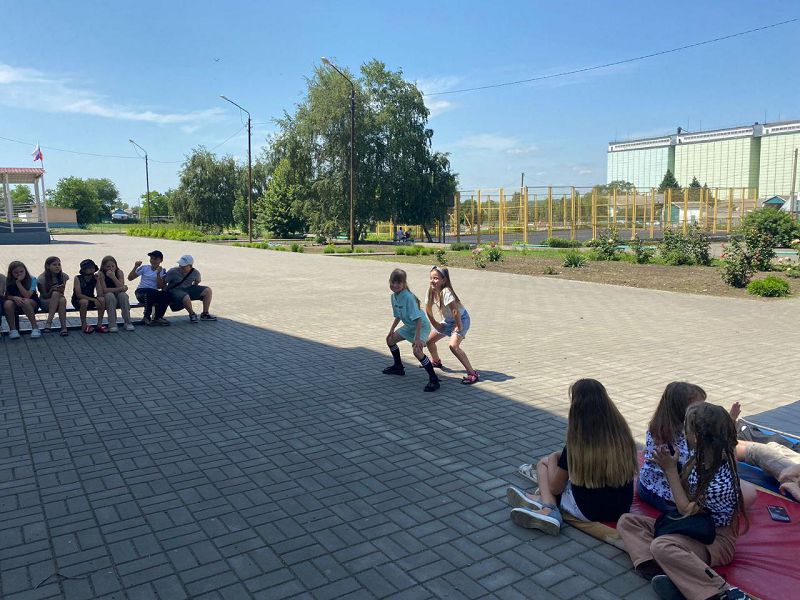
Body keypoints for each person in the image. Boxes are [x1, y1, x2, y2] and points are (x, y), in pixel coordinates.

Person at [618, 402, 753, 600]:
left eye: (686, 428)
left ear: (696, 437)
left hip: (715, 540)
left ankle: (722, 592)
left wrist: (670, 470)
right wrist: (730, 419)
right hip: (692, 527)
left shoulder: (719, 483)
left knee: (661, 546)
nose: (683, 432)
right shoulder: (703, 451)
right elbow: (725, 436)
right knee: (627, 522)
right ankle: (660, 571)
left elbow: (684, 508)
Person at [507, 378, 637, 535]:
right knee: (560, 468)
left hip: (588, 511)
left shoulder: (578, 443)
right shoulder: (623, 434)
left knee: (544, 463)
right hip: (621, 508)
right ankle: (538, 500)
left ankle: (549, 509)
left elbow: (556, 487)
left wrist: (554, 457)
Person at [638, 382, 708, 512]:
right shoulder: (670, 440)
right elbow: (684, 473)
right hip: (659, 492)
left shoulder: (663, 426)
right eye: (698, 408)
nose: (703, 411)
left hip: (649, 483)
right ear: (683, 409)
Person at [383, 268, 440, 392]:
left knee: (417, 351)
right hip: (410, 326)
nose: (395, 285)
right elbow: (398, 315)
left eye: (398, 283)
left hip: (421, 326)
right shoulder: (393, 297)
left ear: (404, 284)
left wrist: (417, 339)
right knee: (390, 340)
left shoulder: (408, 297)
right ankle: (398, 367)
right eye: (393, 282)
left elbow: (418, 319)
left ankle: (434, 379)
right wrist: (391, 330)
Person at [424, 266, 479, 384]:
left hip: (461, 319)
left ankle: (472, 373)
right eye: (431, 278)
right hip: (448, 321)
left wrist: (459, 326)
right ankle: (436, 361)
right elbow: (428, 309)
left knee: (453, 346)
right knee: (429, 341)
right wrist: (435, 324)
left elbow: (455, 310)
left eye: (436, 278)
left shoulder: (446, 291)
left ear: (444, 280)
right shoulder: (431, 291)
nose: (432, 281)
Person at [163, 255, 216, 323]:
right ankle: (192, 314)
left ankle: (205, 314)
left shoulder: (195, 273)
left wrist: (193, 291)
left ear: (190, 266)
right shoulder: (172, 271)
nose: (181, 267)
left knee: (208, 290)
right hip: (175, 290)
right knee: (186, 296)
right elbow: (164, 282)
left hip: (188, 289)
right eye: (180, 265)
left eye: (184, 266)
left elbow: (197, 282)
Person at [128, 250, 168, 326]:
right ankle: (146, 317)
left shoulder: (163, 271)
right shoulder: (144, 268)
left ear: (161, 260)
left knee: (166, 294)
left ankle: (158, 317)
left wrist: (158, 274)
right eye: (151, 258)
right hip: (141, 292)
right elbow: (130, 278)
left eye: (155, 259)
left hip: (153, 293)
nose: (153, 260)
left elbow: (160, 286)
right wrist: (135, 267)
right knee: (149, 292)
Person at [3, 261, 42, 339]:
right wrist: (14, 298)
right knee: (7, 304)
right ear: (11, 273)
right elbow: (7, 296)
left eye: (21, 271)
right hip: (15, 301)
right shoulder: (8, 280)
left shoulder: (32, 279)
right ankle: (13, 330)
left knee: (25, 301)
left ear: (25, 270)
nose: (19, 274)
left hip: (31, 301)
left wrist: (18, 283)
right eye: (16, 272)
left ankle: (35, 328)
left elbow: (27, 296)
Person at [100, 255, 135, 332]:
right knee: (110, 295)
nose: (111, 268)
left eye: (113, 266)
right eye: (108, 267)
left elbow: (121, 287)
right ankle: (112, 324)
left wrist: (113, 277)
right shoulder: (101, 274)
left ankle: (128, 322)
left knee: (123, 295)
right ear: (103, 267)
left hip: (118, 296)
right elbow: (104, 290)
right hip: (107, 298)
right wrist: (120, 289)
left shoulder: (119, 272)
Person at [37, 256, 70, 336]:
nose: (57, 267)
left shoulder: (63, 276)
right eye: (54, 265)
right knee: (56, 294)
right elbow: (44, 296)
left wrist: (58, 290)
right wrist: (52, 290)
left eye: (59, 264)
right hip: (45, 302)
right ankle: (61, 327)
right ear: (48, 266)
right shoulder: (41, 279)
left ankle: (55, 325)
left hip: (58, 301)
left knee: (62, 300)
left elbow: (62, 294)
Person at [72, 259, 107, 334]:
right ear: (84, 269)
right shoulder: (77, 278)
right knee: (84, 302)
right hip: (78, 300)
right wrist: (94, 300)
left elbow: (100, 294)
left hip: (90, 298)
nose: (91, 269)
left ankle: (99, 324)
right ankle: (84, 325)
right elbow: (79, 295)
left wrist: (98, 281)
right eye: (89, 268)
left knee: (102, 299)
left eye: (93, 267)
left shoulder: (94, 278)